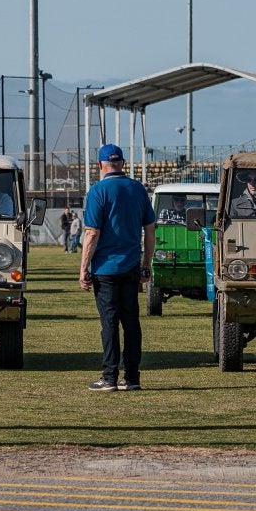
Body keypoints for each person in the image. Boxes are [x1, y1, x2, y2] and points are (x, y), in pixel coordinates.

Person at [80, 144, 155, 391]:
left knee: (109, 322)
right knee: (131, 321)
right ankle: (132, 377)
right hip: (131, 264)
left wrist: (83, 269)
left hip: (105, 267)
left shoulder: (98, 191)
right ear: (122, 163)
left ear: (100, 165)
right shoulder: (137, 189)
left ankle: (109, 376)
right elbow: (150, 230)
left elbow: (92, 233)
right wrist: (146, 264)